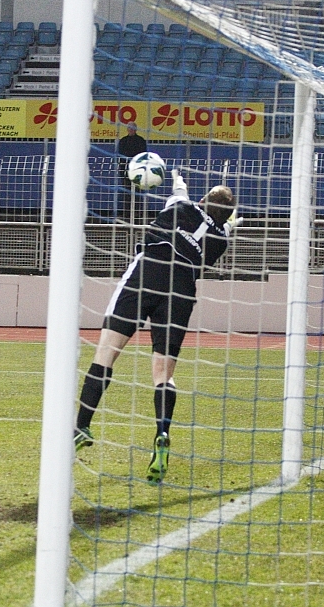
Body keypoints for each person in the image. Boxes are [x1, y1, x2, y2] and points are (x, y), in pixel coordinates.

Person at [73, 171, 239, 484]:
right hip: (181, 290)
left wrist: (177, 177)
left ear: (202, 200)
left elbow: (180, 190)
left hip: (147, 272)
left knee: (106, 354)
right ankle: (161, 434)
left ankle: (81, 426)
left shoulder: (180, 205)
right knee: (164, 374)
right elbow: (216, 232)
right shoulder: (221, 241)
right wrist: (229, 223)